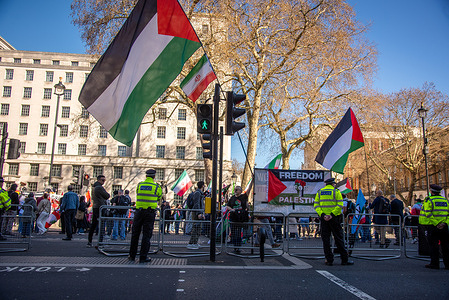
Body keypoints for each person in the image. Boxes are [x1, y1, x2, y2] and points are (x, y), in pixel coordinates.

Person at [314, 178, 353, 266]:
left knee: (326, 240)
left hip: (324, 219)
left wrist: (323, 214)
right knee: (339, 239)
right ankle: (344, 259)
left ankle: (329, 259)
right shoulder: (336, 192)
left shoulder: (320, 192)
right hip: (334, 218)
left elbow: (316, 205)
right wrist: (332, 214)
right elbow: (340, 205)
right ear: (333, 184)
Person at [128, 169, 162, 263]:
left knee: (135, 234)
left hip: (138, 212)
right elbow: (159, 197)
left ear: (146, 176)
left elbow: (138, 193)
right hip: (149, 213)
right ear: (154, 176)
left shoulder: (140, 185)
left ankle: (132, 255)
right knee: (146, 235)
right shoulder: (156, 186)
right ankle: (143, 257)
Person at [418, 184, 449, 270]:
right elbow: (448, 214)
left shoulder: (429, 200)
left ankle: (434, 264)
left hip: (433, 226)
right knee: (445, 246)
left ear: (431, 191)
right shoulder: (445, 200)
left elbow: (428, 213)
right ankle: (447, 264)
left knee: (433, 246)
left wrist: (436, 224)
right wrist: (444, 224)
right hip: (444, 226)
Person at [87, 175, 110, 247]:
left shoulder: (94, 187)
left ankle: (90, 241)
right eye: (103, 180)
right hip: (100, 207)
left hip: (96, 206)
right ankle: (100, 242)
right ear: (99, 180)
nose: (104, 182)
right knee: (101, 224)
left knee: (94, 224)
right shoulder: (99, 187)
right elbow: (107, 196)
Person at [226, 185, 249, 253]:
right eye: (235, 189)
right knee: (233, 232)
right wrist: (232, 209)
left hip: (240, 218)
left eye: (237, 189)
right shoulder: (232, 198)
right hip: (233, 217)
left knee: (238, 232)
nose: (236, 190)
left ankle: (238, 247)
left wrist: (253, 181)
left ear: (240, 191)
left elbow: (248, 190)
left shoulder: (243, 197)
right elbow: (227, 206)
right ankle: (235, 246)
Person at [187, 181, 205, 249]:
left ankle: (195, 242)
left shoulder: (198, 193)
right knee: (196, 227)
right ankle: (191, 243)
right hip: (197, 212)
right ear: (202, 186)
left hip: (198, 212)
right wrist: (199, 213)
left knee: (198, 228)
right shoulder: (197, 193)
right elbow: (197, 204)